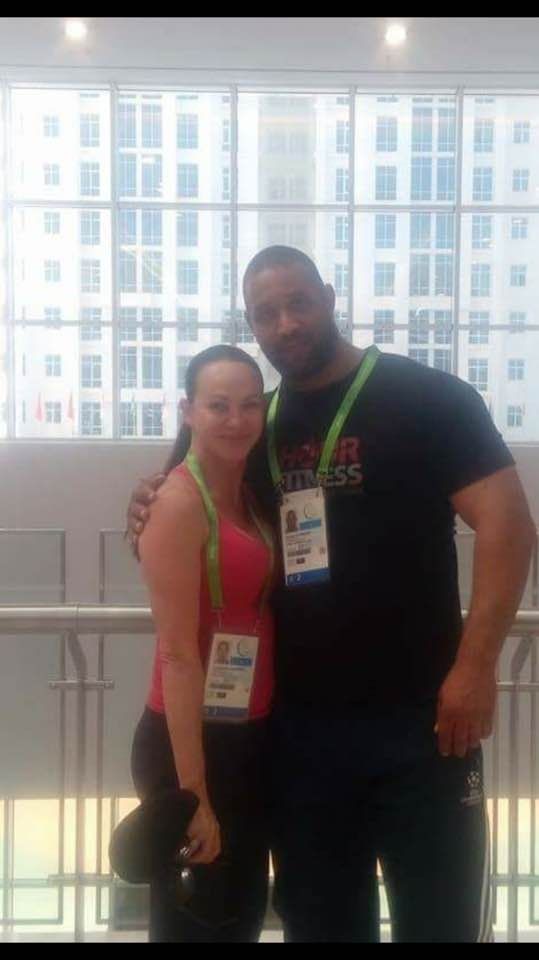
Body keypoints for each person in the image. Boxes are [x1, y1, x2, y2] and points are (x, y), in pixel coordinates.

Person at [127, 246, 535, 943]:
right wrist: (146, 500)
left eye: (298, 303)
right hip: (301, 735)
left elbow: (508, 526)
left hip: (424, 725)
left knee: (439, 922)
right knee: (320, 925)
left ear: (329, 296)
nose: (285, 324)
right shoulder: (258, 423)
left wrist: (475, 668)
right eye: (265, 314)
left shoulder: (426, 398)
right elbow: (192, 496)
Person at [130, 344, 275, 943]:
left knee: (239, 913)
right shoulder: (177, 503)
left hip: (248, 735)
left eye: (249, 405)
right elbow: (178, 655)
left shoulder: (248, 494)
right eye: (219, 405)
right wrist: (195, 795)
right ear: (188, 411)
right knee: (196, 917)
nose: (236, 420)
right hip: (189, 742)